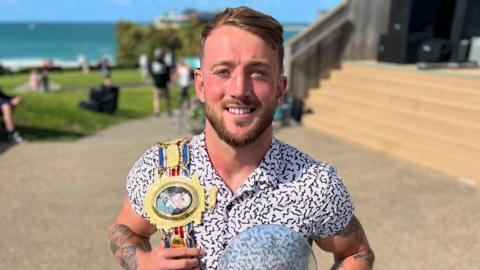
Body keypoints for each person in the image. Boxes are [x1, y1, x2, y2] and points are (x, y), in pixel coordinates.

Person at [108, 6, 374, 270]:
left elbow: (356, 254)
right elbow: (125, 229)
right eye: (223, 71)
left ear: (280, 90)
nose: (239, 89)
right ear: (201, 85)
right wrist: (143, 263)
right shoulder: (162, 166)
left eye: (257, 71)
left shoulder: (313, 183)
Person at [149, 48, 172, 117]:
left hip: (164, 84)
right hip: (157, 84)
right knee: (156, 98)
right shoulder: (153, 63)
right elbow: (151, 72)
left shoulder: (164, 63)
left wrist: (168, 80)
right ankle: (157, 111)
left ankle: (169, 110)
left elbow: (167, 73)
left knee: (167, 98)